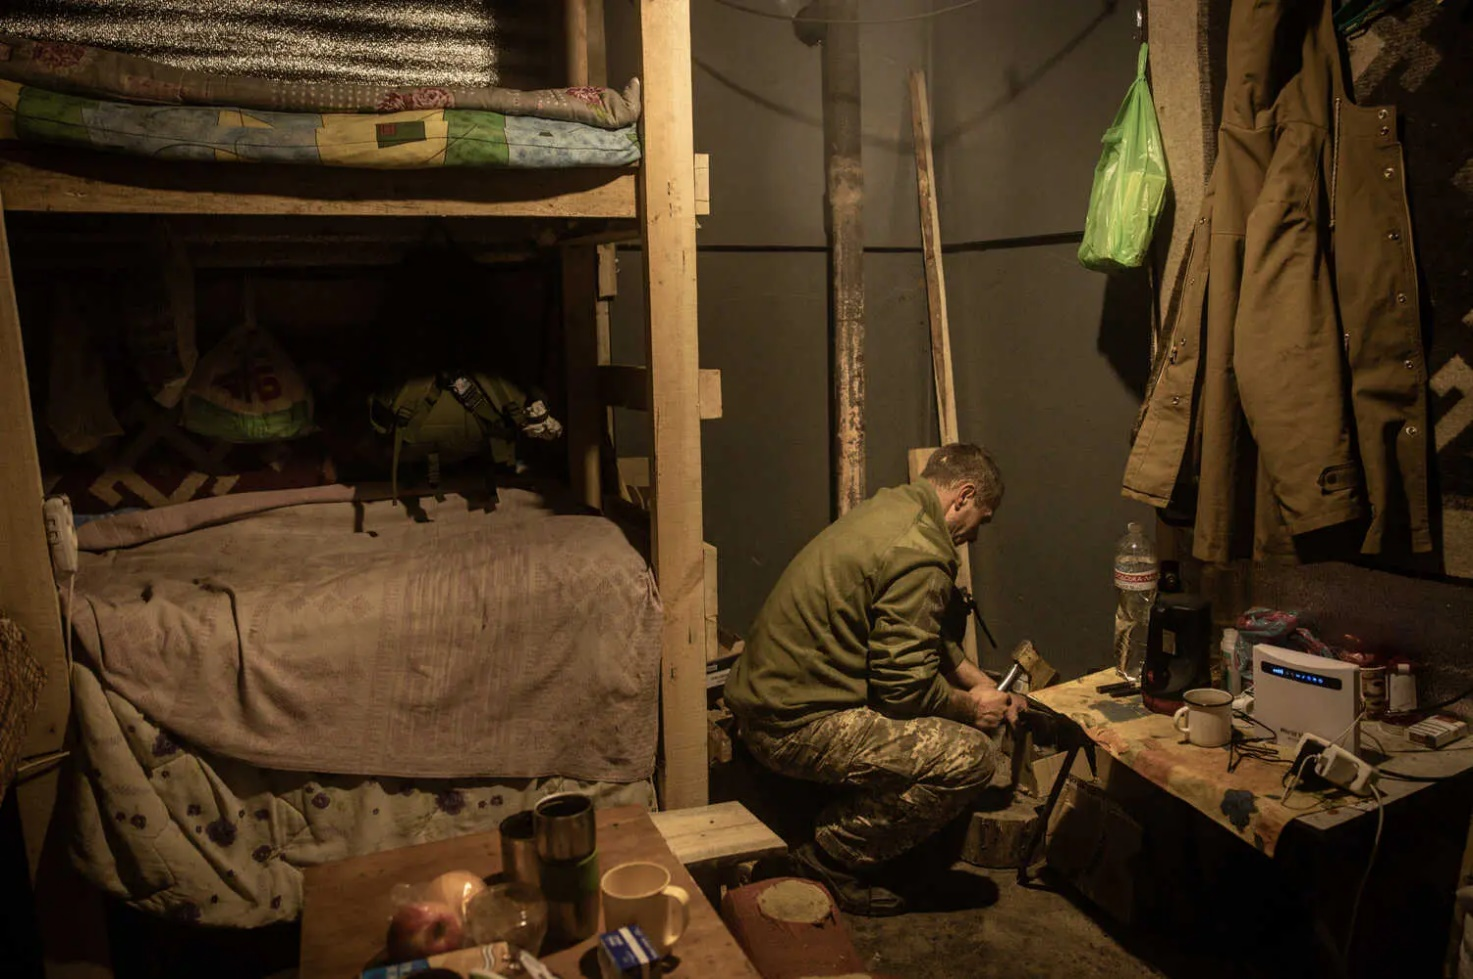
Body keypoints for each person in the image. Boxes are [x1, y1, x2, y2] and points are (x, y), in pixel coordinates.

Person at [723, 443, 1022, 916]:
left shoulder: (892, 510)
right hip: (788, 727)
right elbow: (904, 689)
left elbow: (914, 627)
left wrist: (974, 679)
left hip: (767, 701)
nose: (975, 535)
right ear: (964, 496)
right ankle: (830, 856)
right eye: (981, 519)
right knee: (971, 757)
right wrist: (973, 708)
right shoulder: (923, 552)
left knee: (943, 719)